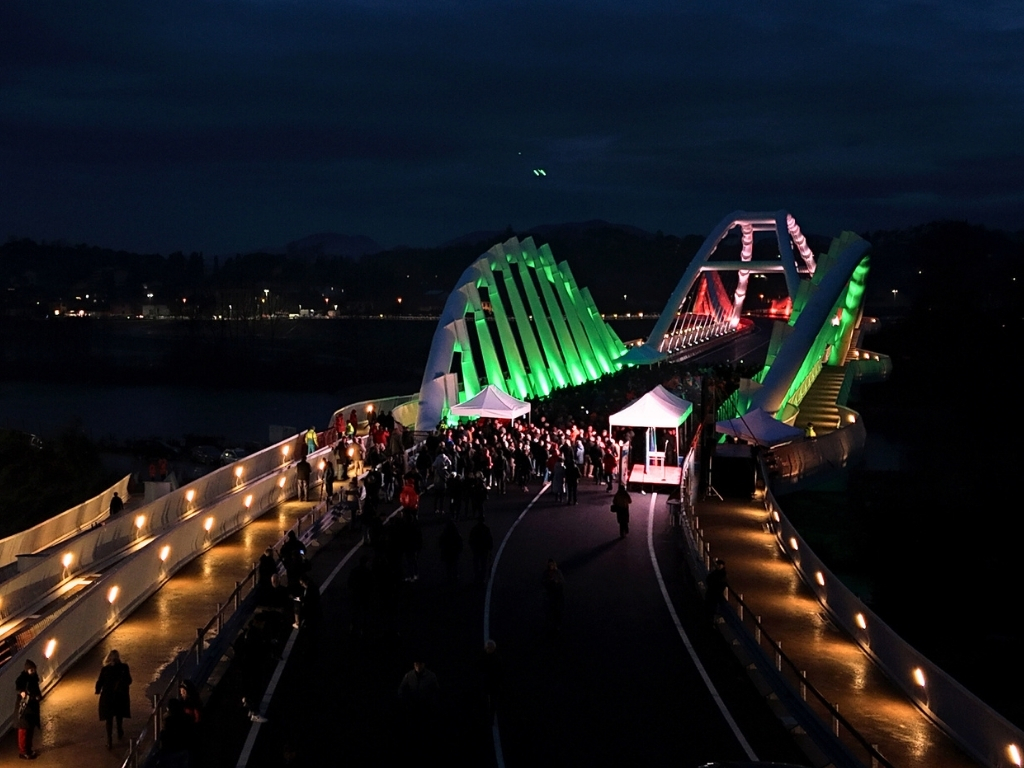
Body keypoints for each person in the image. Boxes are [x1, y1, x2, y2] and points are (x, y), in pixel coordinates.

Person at [95, 649, 132, 749]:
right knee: (119, 715)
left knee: (109, 719)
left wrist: (97, 691)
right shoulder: (124, 667)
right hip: (120, 696)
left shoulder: (105, 669)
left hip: (108, 697)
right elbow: (129, 680)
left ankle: (109, 740)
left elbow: (100, 682)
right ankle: (120, 731)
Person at [15, 659, 42, 760]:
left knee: (29, 729)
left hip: (30, 708)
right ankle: (23, 751)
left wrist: (38, 696)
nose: (33, 672)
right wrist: (22, 692)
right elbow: (18, 686)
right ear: (27, 670)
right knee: (24, 730)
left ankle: (28, 750)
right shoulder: (24, 679)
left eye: (33, 670)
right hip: (25, 710)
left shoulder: (33, 678)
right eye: (31, 670)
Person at [541, 559, 565, 636]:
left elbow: (562, 581)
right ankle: (549, 626)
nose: (551, 566)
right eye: (549, 565)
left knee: (557, 611)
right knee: (549, 611)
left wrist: (556, 581)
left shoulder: (558, 572)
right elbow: (543, 582)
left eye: (552, 565)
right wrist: (548, 582)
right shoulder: (546, 573)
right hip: (550, 595)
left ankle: (558, 626)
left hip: (557, 595)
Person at [468, 516, 493, 583]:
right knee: (483, 564)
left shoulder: (474, 529)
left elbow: (471, 539)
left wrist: (472, 547)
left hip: (477, 549)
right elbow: (489, 539)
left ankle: (477, 576)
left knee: (476, 563)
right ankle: (482, 577)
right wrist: (490, 548)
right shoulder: (486, 529)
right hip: (484, 550)